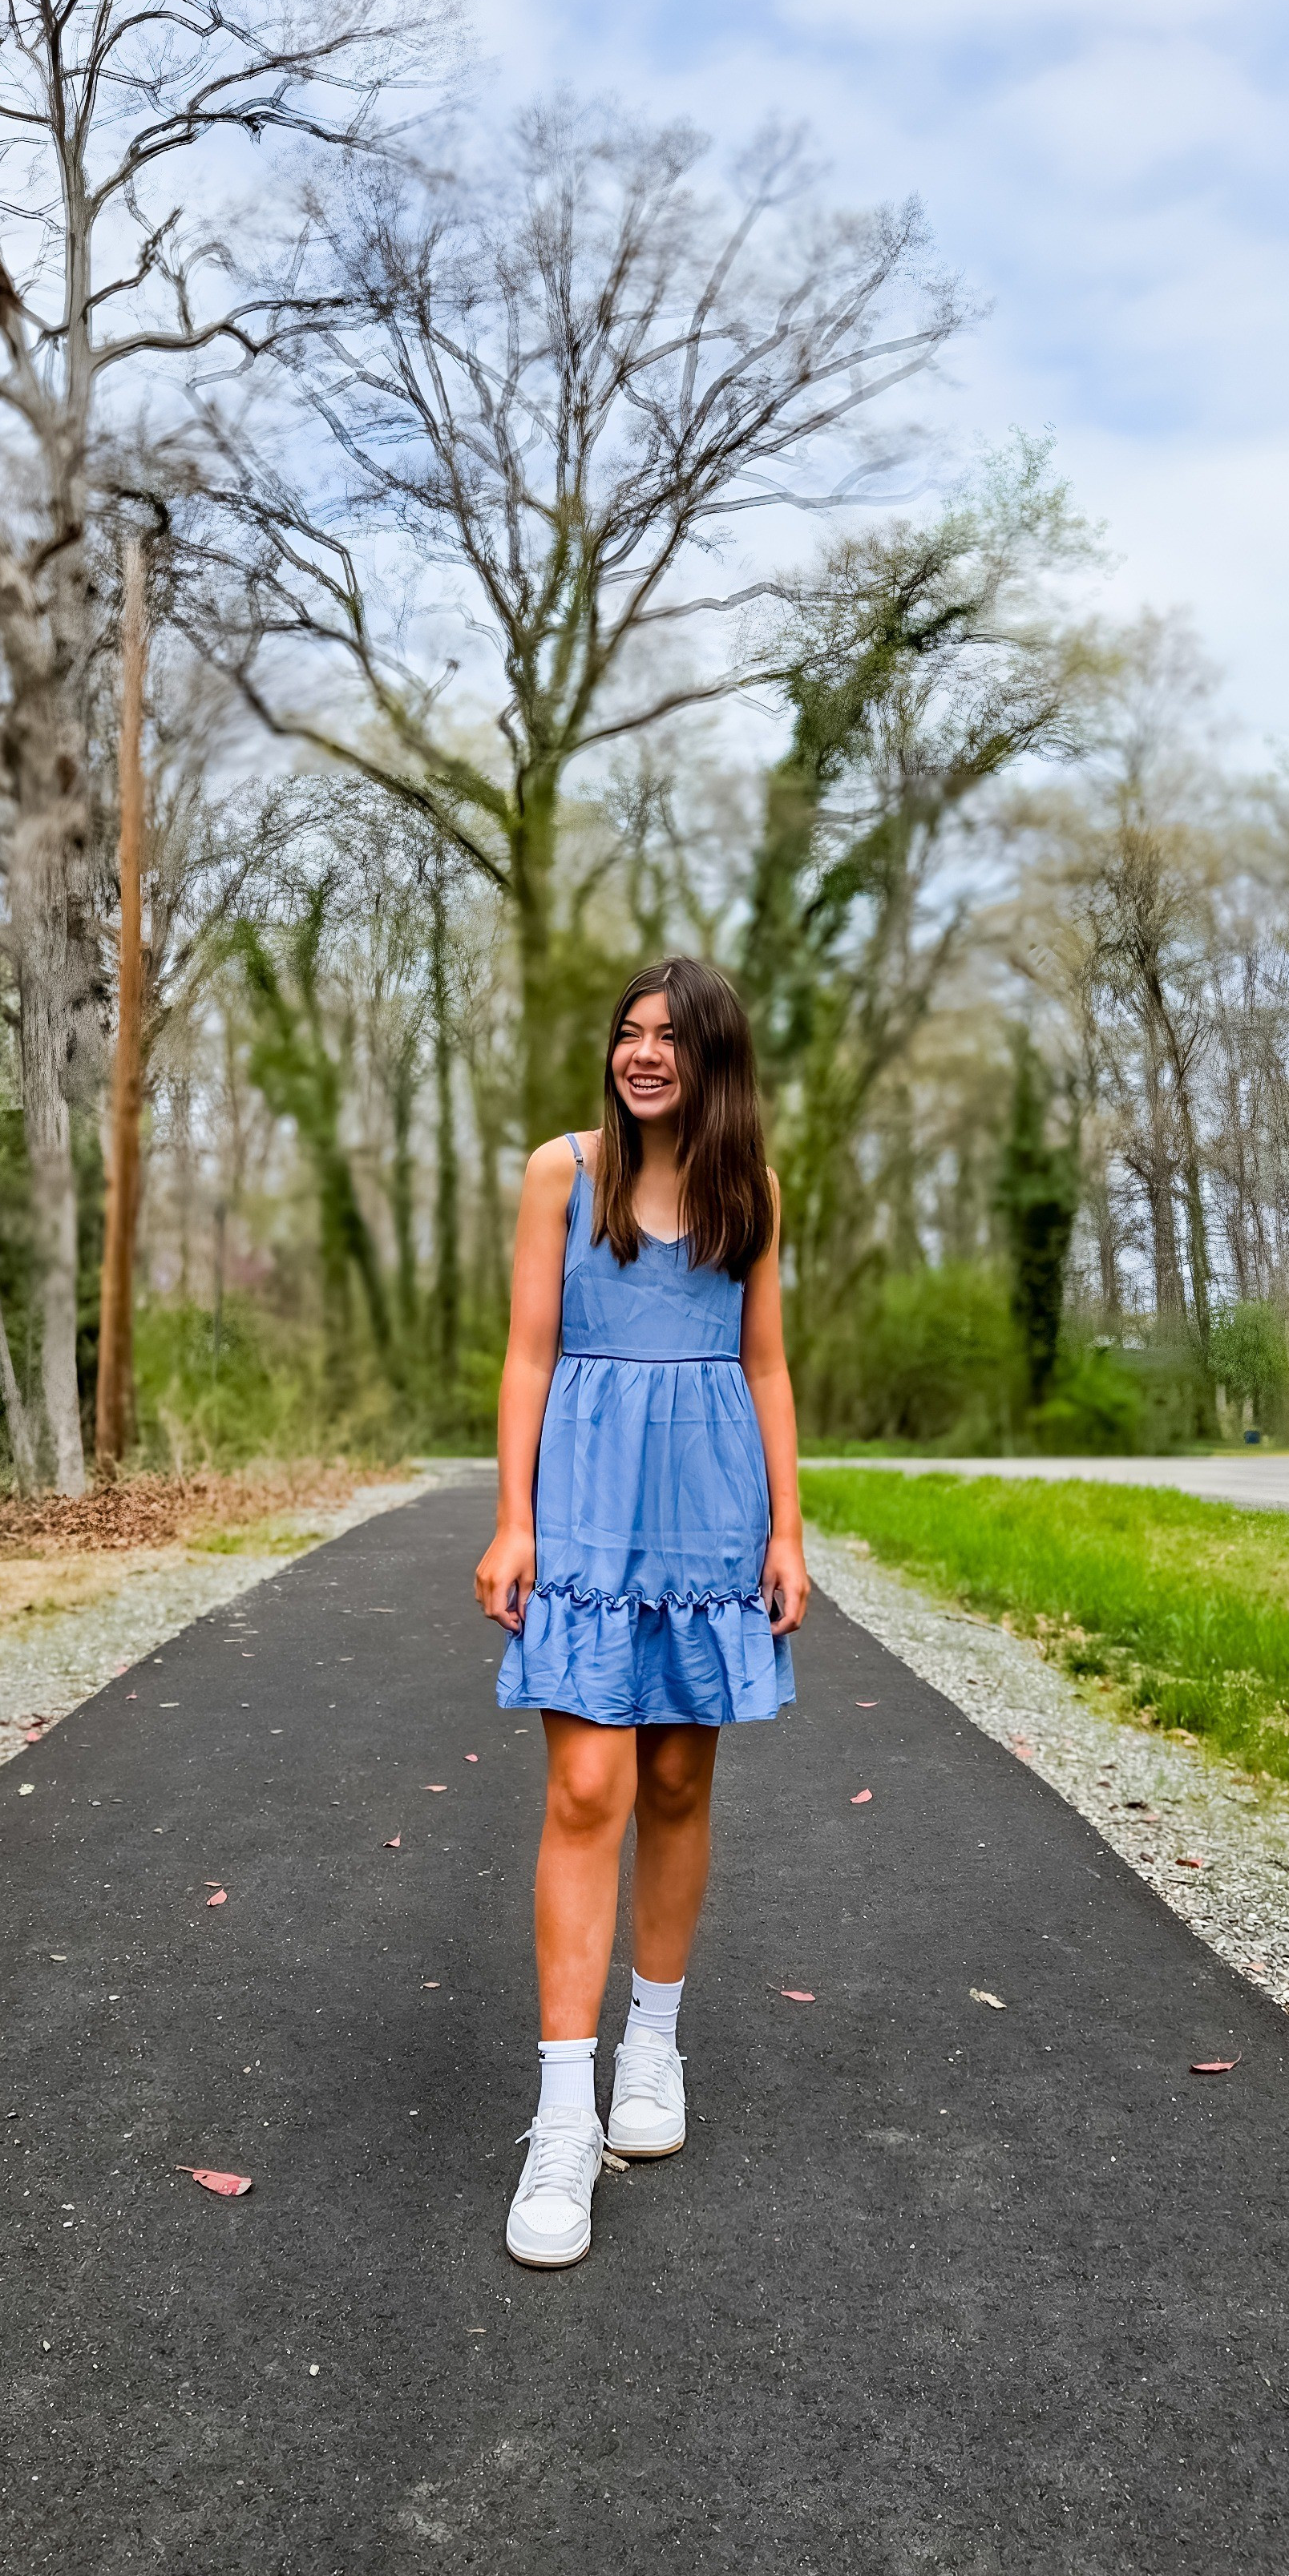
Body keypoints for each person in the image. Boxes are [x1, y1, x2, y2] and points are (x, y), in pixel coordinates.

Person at [475, 957, 809, 2269]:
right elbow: (527, 1354)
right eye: (628, 1032)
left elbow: (765, 1362)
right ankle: (565, 2121)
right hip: (587, 1508)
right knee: (585, 1791)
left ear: (713, 1055)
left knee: (676, 1786)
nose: (643, 1053)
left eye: (670, 1036)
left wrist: (786, 1528)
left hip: (712, 1508)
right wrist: (514, 1519)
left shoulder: (752, 1194)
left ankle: (652, 2051)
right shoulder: (563, 1171)